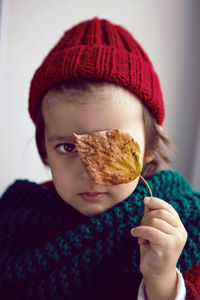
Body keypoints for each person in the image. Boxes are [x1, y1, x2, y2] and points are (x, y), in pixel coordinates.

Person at [0, 17, 199, 300]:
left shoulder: (180, 220)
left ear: (149, 146)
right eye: (68, 148)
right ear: (44, 148)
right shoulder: (16, 219)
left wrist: (162, 278)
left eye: (113, 148)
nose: (92, 173)